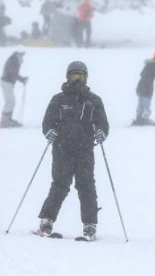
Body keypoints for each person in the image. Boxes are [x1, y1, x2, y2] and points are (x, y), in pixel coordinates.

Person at [36, 61, 109, 240]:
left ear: (86, 78)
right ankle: (47, 220)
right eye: (73, 75)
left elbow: (102, 123)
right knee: (59, 185)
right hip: (62, 150)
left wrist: (101, 132)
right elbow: (48, 122)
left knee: (86, 187)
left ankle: (90, 224)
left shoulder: (94, 100)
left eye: (80, 76)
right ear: (67, 77)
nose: (77, 79)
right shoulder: (58, 99)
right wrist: (49, 131)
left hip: (84, 151)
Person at [133, 51, 155, 126]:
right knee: (147, 103)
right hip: (148, 86)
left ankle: (138, 117)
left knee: (140, 102)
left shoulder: (148, 64)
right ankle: (145, 118)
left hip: (140, 85)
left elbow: (141, 74)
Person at [0, 49, 28, 128]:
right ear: (19, 52)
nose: (23, 55)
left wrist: (22, 79)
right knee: (10, 101)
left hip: (8, 82)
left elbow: (14, 72)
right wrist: (22, 79)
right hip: (6, 82)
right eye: (23, 53)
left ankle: (8, 119)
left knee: (11, 101)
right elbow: (13, 72)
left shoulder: (15, 58)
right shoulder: (14, 59)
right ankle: (5, 122)